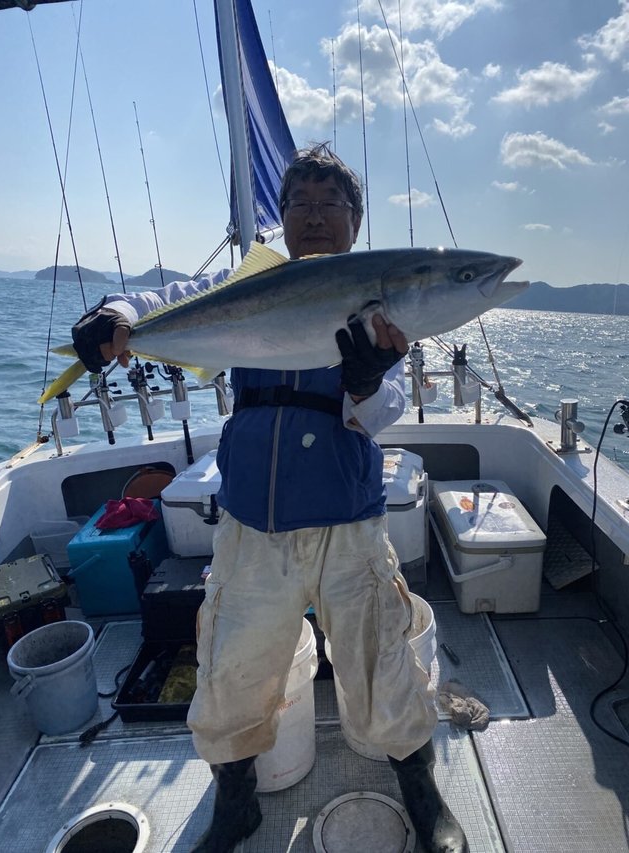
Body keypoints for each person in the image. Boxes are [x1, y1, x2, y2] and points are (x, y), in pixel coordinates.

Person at [71, 144, 468, 853]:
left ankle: (421, 790)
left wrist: (368, 377)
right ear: (281, 219)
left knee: (383, 662)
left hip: (347, 523)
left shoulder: (381, 304)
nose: (314, 216)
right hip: (252, 523)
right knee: (231, 673)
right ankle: (236, 805)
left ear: (355, 221)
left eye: (330, 204)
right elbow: (167, 301)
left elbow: (383, 411)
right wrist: (118, 312)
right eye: (299, 204)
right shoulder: (249, 283)